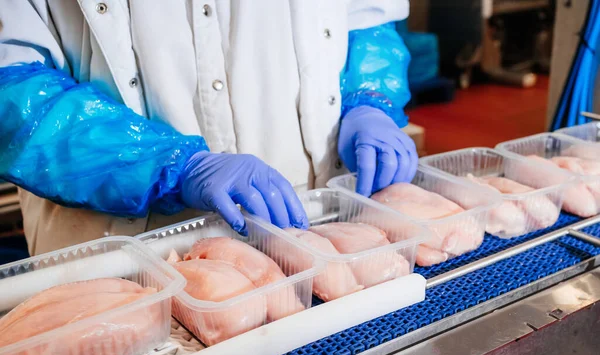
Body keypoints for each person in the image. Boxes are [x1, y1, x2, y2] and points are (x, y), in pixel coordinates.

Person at [0, 0, 417, 256]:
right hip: (123, 256)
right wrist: (170, 167)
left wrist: (369, 100)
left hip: (316, 220)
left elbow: (366, 18)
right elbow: (13, 95)